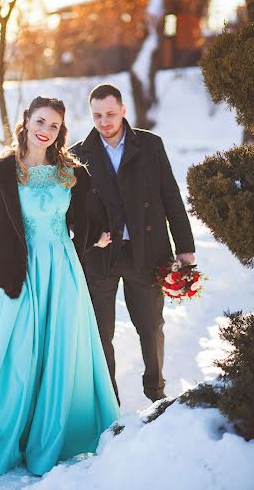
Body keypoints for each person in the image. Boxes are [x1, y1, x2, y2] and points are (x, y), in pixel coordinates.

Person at [0, 96, 120, 476]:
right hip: (21, 273)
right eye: (40, 121)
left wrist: (93, 240)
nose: (46, 131)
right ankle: (3, 437)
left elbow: (84, 220)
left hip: (63, 271)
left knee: (61, 351)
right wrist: (0, 257)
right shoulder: (3, 172)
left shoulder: (70, 172)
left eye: (54, 126)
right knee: (17, 351)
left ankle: (53, 439)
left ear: (60, 132)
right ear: (26, 120)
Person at [71, 84, 195, 404]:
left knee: (150, 327)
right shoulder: (77, 155)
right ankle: (108, 402)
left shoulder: (150, 145)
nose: (104, 121)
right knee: (101, 334)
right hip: (100, 256)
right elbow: (69, 214)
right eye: (97, 115)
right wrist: (88, 239)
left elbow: (171, 197)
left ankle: (156, 393)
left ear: (123, 110)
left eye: (111, 114)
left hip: (147, 252)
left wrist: (185, 248)